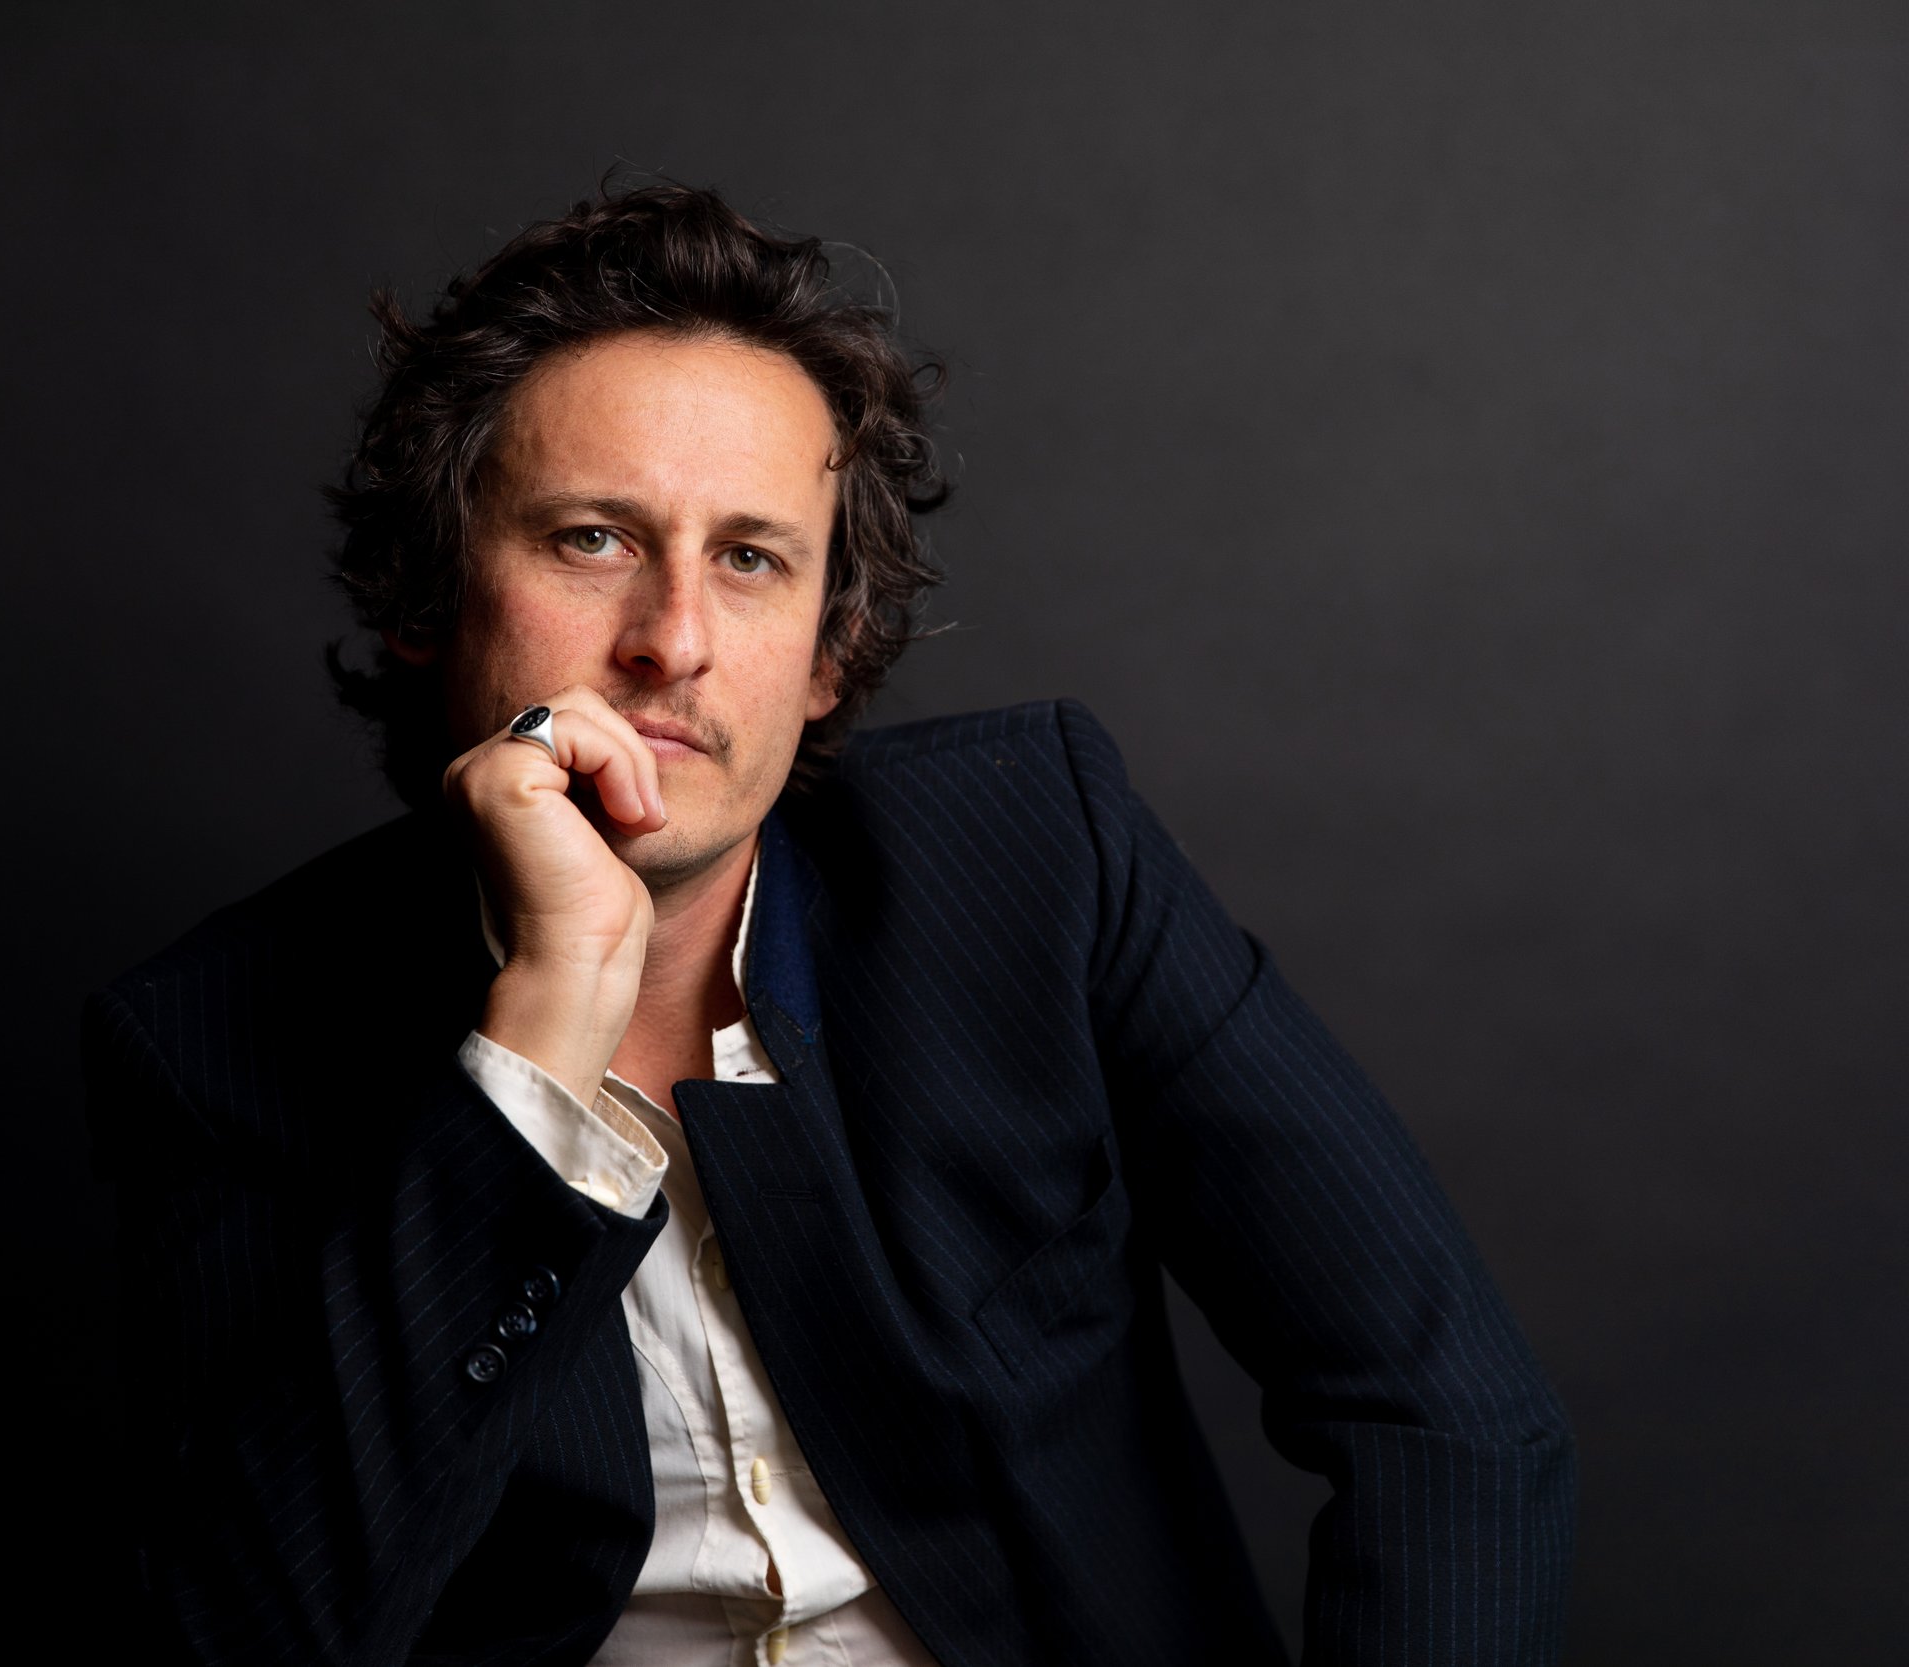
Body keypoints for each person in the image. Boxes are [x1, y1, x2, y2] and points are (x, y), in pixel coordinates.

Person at [83, 181, 1574, 1667]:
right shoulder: (217, 1042)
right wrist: (539, 1048)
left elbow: (1444, 1408)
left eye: (750, 559)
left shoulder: (1041, 859)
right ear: (428, 597)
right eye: (592, 538)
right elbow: (246, 1638)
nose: (673, 640)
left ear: (826, 655)